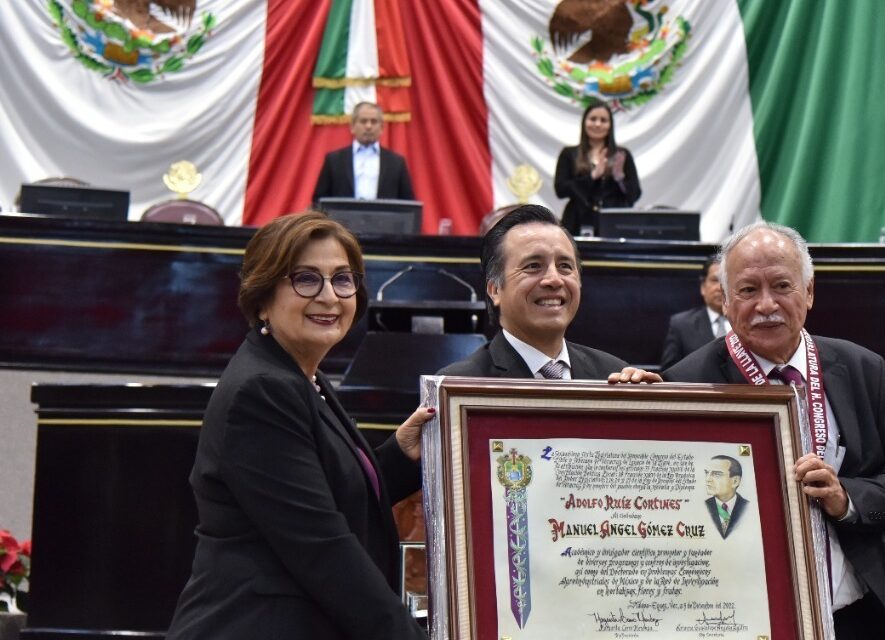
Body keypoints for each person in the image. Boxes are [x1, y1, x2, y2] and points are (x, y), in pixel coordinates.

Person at [168, 211, 431, 639]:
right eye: (306, 279)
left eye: (342, 279)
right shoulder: (263, 391)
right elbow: (323, 546)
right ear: (262, 296)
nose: (329, 296)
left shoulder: (299, 375)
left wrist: (400, 454)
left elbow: (325, 491)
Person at [663, 221, 885, 640]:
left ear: (808, 291)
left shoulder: (861, 368)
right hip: (739, 621)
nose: (766, 304)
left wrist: (848, 500)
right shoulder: (686, 382)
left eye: (782, 286)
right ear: (726, 302)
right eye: (748, 290)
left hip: (853, 616)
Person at [439, 204, 639, 380]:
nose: (554, 279)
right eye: (533, 265)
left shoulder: (613, 374)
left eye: (565, 266)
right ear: (495, 289)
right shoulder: (461, 383)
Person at [553, 100, 640, 235]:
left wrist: (619, 177)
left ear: (610, 125)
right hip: (577, 222)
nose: (597, 124)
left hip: (614, 224)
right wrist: (592, 176)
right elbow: (560, 190)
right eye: (593, 119)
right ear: (584, 122)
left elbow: (634, 195)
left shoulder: (622, 155)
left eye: (603, 120)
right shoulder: (569, 154)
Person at [312, 102, 416, 204]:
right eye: (363, 121)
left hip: (383, 220)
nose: (368, 126)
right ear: (352, 127)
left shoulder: (396, 162)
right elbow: (319, 201)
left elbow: (408, 203)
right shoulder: (334, 160)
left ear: (382, 128)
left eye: (374, 121)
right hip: (342, 220)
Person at [660, 256, 726, 369]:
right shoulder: (681, 325)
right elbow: (669, 373)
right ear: (703, 287)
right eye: (715, 280)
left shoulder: (746, 322)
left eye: (726, 281)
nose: (720, 288)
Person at [705, 455, 750, 539]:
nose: (708, 479)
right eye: (706, 473)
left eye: (716, 474)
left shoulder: (749, 507)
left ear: (735, 481)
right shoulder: (703, 506)